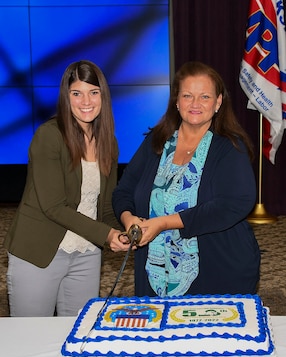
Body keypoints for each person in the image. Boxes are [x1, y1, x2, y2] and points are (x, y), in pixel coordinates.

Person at [113, 61, 260, 297]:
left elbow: (235, 203)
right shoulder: (155, 141)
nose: (195, 104)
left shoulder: (230, 147)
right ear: (177, 101)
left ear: (218, 102)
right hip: (155, 271)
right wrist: (129, 220)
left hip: (219, 272)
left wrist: (163, 222)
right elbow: (123, 191)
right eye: (188, 95)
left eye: (204, 97)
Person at [4, 60, 131, 317]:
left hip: (86, 254)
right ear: (66, 97)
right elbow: (53, 206)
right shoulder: (48, 136)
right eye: (77, 93)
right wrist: (107, 235)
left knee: (77, 333)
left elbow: (104, 207)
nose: (86, 101)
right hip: (38, 253)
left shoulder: (109, 142)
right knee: (31, 338)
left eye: (93, 92)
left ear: (103, 96)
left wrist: (122, 231)